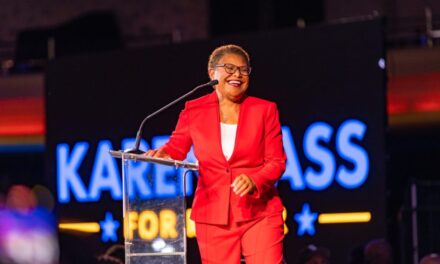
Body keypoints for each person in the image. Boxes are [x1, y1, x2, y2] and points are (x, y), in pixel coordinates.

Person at [146, 44, 286, 263]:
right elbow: (176, 148)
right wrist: (164, 154)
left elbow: (277, 162)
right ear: (212, 73)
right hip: (213, 215)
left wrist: (255, 179)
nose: (237, 75)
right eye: (229, 68)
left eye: (243, 69)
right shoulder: (194, 109)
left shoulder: (265, 110)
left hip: (259, 212)